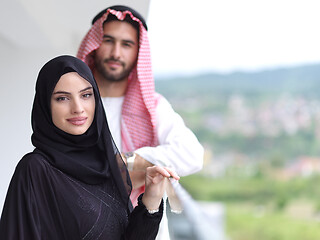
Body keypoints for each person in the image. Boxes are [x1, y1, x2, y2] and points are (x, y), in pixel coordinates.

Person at [0, 55, 180, 240]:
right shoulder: (35, 169)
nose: (78, 108)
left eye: (86, 95)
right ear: (46, 105)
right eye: (62, 98)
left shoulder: (105, 164)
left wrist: (150, 202)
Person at [77, 5, 204, 204]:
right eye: (108, 41)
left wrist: (131, 160)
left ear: (138, 52)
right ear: (94, 45)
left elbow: (192, 155)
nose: (116, 53)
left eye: (126, 44)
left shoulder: (153, 106)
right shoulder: (74, 104)